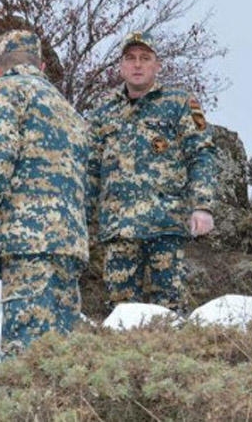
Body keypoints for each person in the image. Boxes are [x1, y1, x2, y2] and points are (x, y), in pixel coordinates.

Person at [0, 30, 89, 357]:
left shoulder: (4, 91)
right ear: (41, 65)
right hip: (69, 246)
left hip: (27, 244)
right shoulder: (67, 109)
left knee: (26, 357)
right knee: (64, 359)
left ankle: (30, 411)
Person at [87, 31, 217, 313]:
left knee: (170, 313)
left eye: (145, 58)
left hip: (165, 226)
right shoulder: (102, 112)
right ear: (120, 66)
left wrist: (203, 206)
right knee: (121, 317)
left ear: (157, 65)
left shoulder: (179, 103)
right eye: (130, 58)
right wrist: (81, 224)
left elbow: (202, 154)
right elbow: (90, 172)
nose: (137, 65)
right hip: (119, 230)